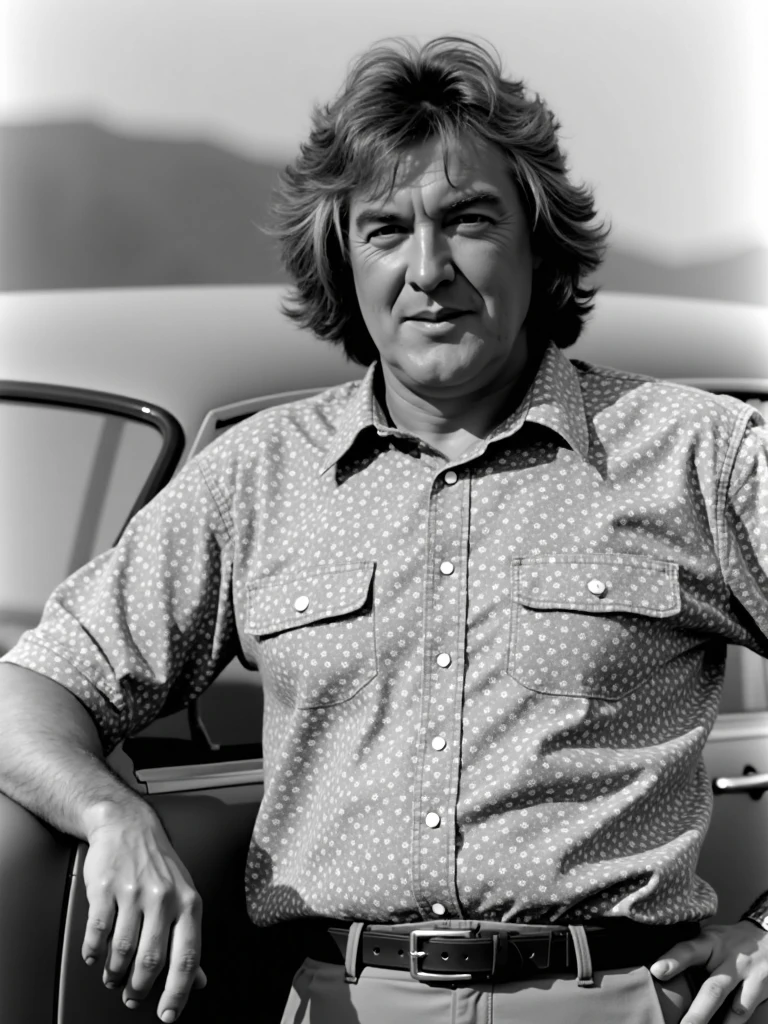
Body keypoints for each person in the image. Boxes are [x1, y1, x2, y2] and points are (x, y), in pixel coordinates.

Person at [1, 35, 767, 1024]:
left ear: (537, 241)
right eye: (386, 229)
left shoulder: (693, 453)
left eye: (469, 219)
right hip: (344, 999)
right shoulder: (259, 475)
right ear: (343, 256)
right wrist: (111, 811)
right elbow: (31, 687)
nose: (428, 269)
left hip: (616, 996)